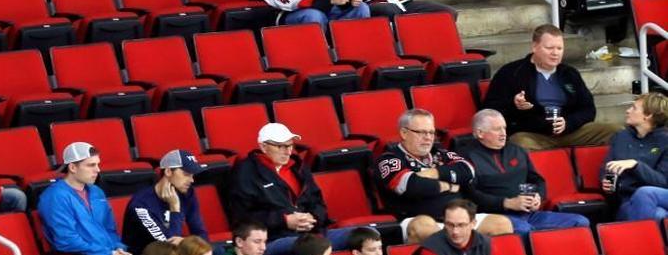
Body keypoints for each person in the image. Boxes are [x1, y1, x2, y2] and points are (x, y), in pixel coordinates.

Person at [372, 110, 510, 243]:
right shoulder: (389, 159)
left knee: (501, 224)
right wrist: (447, 185)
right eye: (421, 132)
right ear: (404, 133)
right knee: (427, 230)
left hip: (457, 216)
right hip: (417, 217)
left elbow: (468, 171)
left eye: (431, 132)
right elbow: (409, 185)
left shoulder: (441, 154)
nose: (428, 137)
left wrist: (434, 173)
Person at [482, 24, 621, 150]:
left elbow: (588, 109)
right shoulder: (511, 73)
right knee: (519, 143)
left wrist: (569, 122)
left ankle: (616, 174)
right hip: (534, 135)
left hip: (570, 132)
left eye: (559, 48)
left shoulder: (569, 74)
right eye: (549, 48)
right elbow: (489, 110)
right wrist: (514, 105)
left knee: (617, 131)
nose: (555, 53)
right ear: (535, 47)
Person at [226, 123, 351, 254]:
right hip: (274, 238)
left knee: (364, 235)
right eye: (280, 146)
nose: (287, 151)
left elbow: (318, 202)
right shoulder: (245, 173)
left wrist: (313, 217)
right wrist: (284, 220)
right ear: (263, 146)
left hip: (311, 233)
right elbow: (242, 218)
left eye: (290, 145)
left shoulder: (298, 168)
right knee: (314, 247)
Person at [463, 109, 590, 234]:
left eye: (504, 128)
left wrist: (538, 197)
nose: (503, 133)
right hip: (497, 218)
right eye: (497, 129)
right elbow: (471, 195)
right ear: (480, 133)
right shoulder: (466, 157)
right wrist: (506, 203)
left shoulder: (517, 151)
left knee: (580, 222)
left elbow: (537, 180)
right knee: (524, 230)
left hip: (529, 214)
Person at [37, 142, 130, 255]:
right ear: (72, 167)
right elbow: (67, 241)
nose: (98, 170)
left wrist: (119, 249)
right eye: (91, 165)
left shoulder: (97, 191)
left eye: (97, 164)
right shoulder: (55, 197)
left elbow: (110, 229)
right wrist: (108, 253)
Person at [122, 149, 210, 253]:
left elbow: (201, 234)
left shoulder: (187, 193)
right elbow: (168, 248)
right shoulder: (140, 204)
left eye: (192, 175)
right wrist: (175, 208)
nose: (192, 180)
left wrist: (186, 242)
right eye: (186, 174)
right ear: (168, 171)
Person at [602, 92, 668, 220]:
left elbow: (663, 182)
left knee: (645, 193)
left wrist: (636, 165)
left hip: (661, 195)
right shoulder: (621, 137)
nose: (627, 111)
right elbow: (606, 167)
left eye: (634, 108)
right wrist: (605, 181)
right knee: (658, 215)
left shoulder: (665, 141)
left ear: (648, 116)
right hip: (628, 200)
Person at [416, 200, 490, 255]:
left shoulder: (485, 243)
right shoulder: (431, 250)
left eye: (461, 225)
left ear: (473, 223)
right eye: (450, 225)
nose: (455, 231)